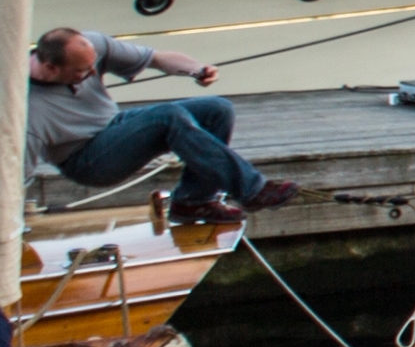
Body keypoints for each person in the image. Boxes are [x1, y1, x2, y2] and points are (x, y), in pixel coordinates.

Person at [28, 29, 295, 222]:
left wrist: (197, 69)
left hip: (114, 125)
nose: (92, 73)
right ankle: (252, 190)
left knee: (217, 109)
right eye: (81, 71)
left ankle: (193, 202)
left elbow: (156, 58)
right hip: (86, 160)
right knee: (167, 116)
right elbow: (16, 172)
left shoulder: (90, 47)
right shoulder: (26, 109)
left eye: (92, 65)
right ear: (51, 69)